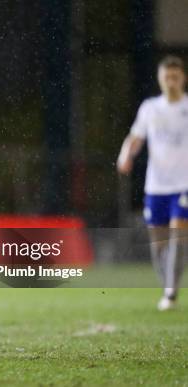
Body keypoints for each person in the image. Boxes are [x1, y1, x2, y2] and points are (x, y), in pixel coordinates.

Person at [117, 55, 188, 311]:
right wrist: (126, 154)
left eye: (175, 77)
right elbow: (136, 137)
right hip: (156, 186)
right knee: (158, 245)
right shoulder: (150, 108)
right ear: (160, 79)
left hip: (183, 185)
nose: (171, 81)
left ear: (183, 79)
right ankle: (168, 285)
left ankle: (170, 293)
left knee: (178, 232)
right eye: (167, 76)